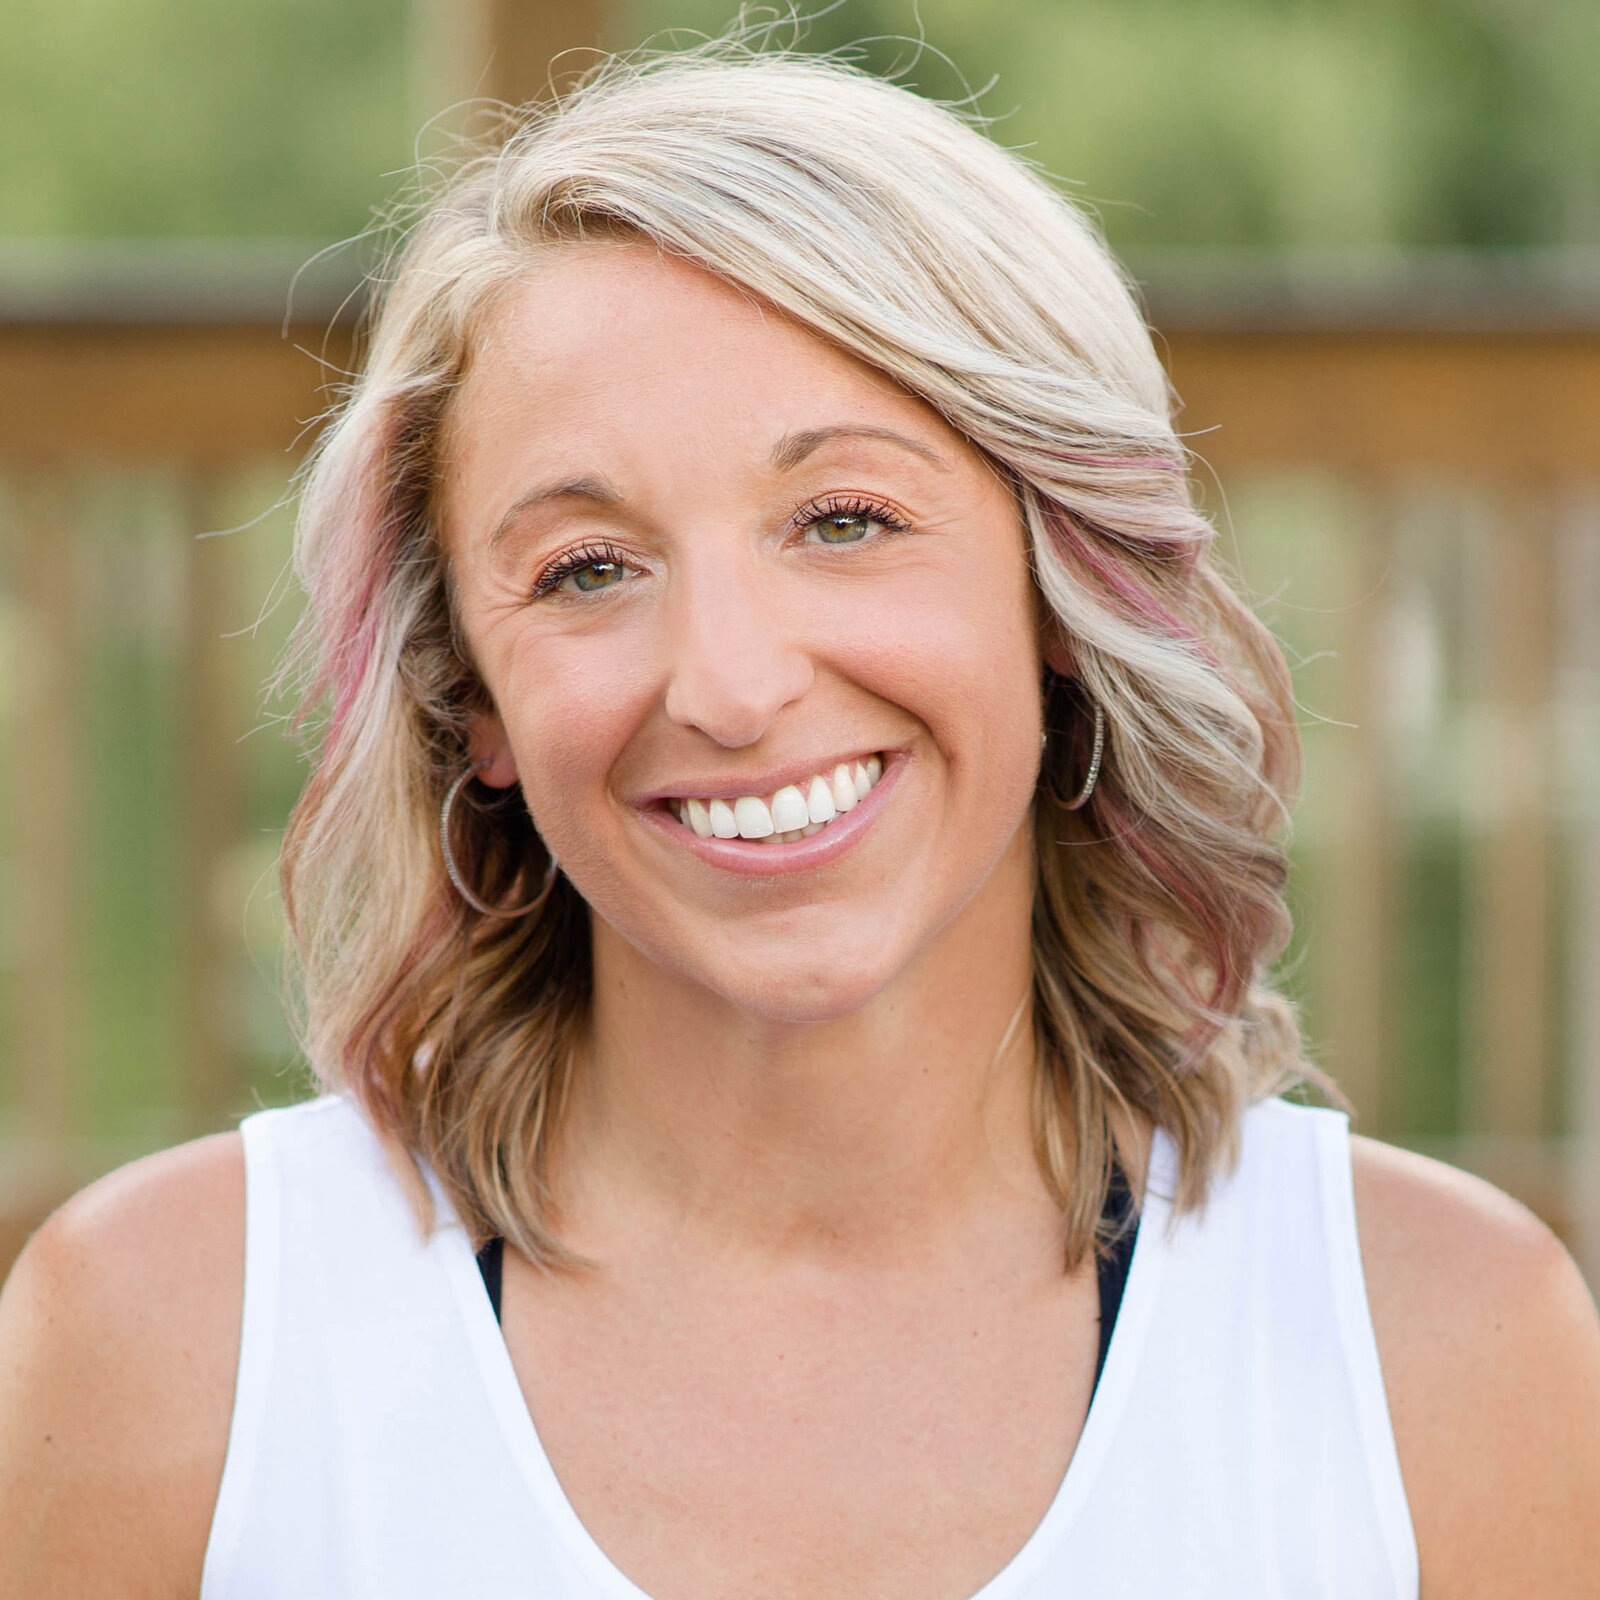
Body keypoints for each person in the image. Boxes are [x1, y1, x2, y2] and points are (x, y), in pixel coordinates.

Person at [2, 42, 1598, 1600]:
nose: (733, 685)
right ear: (469, 702)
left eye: (846, 521)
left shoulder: (1445, 1358)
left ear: (1060, 586)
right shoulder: (163, 1348)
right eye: (585, 570)